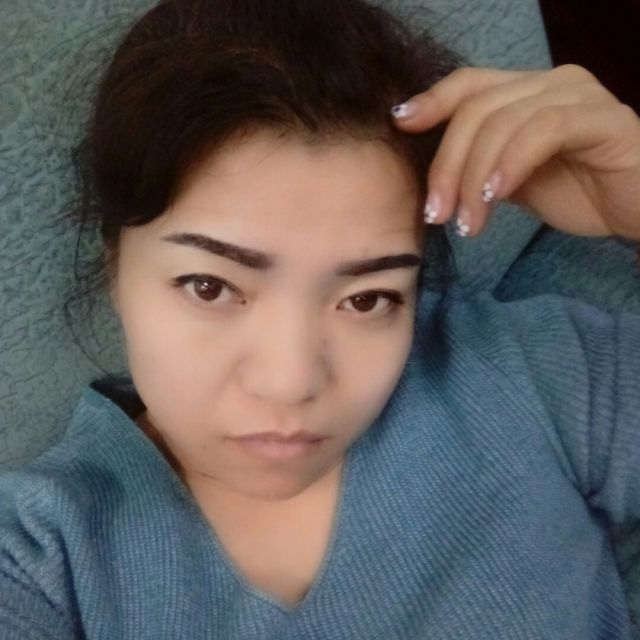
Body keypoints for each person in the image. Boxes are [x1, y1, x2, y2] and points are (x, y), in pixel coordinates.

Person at [0, 0, 639, 638]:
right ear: (115, 266)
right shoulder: (38, 560)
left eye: (367, 299)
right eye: (210, 287)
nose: (290, 383)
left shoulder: (528, 373)